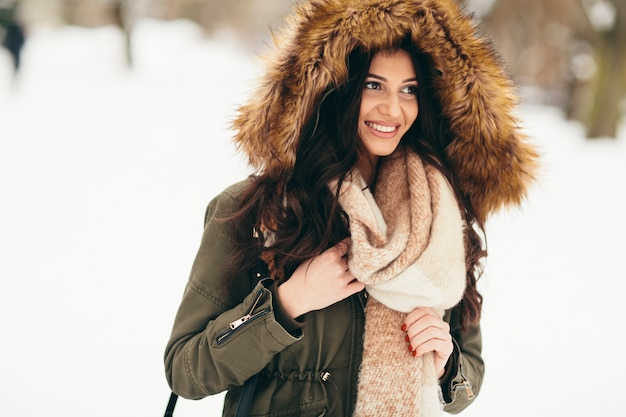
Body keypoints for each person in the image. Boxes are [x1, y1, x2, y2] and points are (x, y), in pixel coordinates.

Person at [164, 0, 538, 416]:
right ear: (336, 87)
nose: (393, 109)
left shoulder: (439, 216)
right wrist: (287, 303)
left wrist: (447, 366)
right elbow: (185, 369)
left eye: (409, 90)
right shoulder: (259, 211)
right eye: (373, 85)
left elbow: (467, 378)